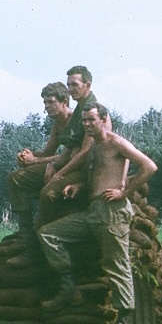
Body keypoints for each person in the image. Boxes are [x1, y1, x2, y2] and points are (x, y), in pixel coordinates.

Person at [38, 102, 157, 324]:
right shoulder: (93, 148)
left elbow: (148, 166)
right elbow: (96, 176)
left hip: (112, 212)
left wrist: (125, 192)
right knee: (49, 234)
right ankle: (68, 287)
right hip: (92, 211)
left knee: (116, 265)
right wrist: (78, 187)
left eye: (92, 120)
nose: (87, 125)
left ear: (104, 119)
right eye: (84, 121)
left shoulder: (116, 143)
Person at [37, 65, 108, 226]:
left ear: (87, 85)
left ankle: (42, 232)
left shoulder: (92, 110)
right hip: (77, 166)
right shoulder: (80, 110)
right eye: (68, 85)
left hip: (90, 170)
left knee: (48, 193)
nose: (70, 89)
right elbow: (69, 147)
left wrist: (60, 174)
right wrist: (53, 164)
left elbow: (86, 151)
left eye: (75, 85)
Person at [6, 82, 73, 251]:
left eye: (51, 102)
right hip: (57, 165)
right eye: (45, 103)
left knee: (46, 194)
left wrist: (37, 161)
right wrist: (28, 155)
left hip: (74, 168)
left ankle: (40, 231)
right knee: (15, 178)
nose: (47, 107)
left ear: (64, 101)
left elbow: (72, 155)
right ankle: (25, 232)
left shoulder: (75, 121)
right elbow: (48, 151)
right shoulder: (57, 123)